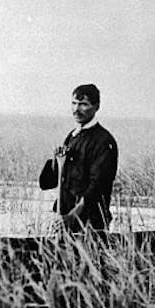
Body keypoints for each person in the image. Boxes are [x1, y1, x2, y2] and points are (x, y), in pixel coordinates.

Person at [39, 84, 118, 233]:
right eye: (74, 103)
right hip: (64, 219)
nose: (76, 109)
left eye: (83, 104)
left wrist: (72, 217)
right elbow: (48, 183)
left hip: (90, 223)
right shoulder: (73, 136)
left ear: (96, 107)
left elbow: (97, 187)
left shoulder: (104, 141)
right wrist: (57, 161)